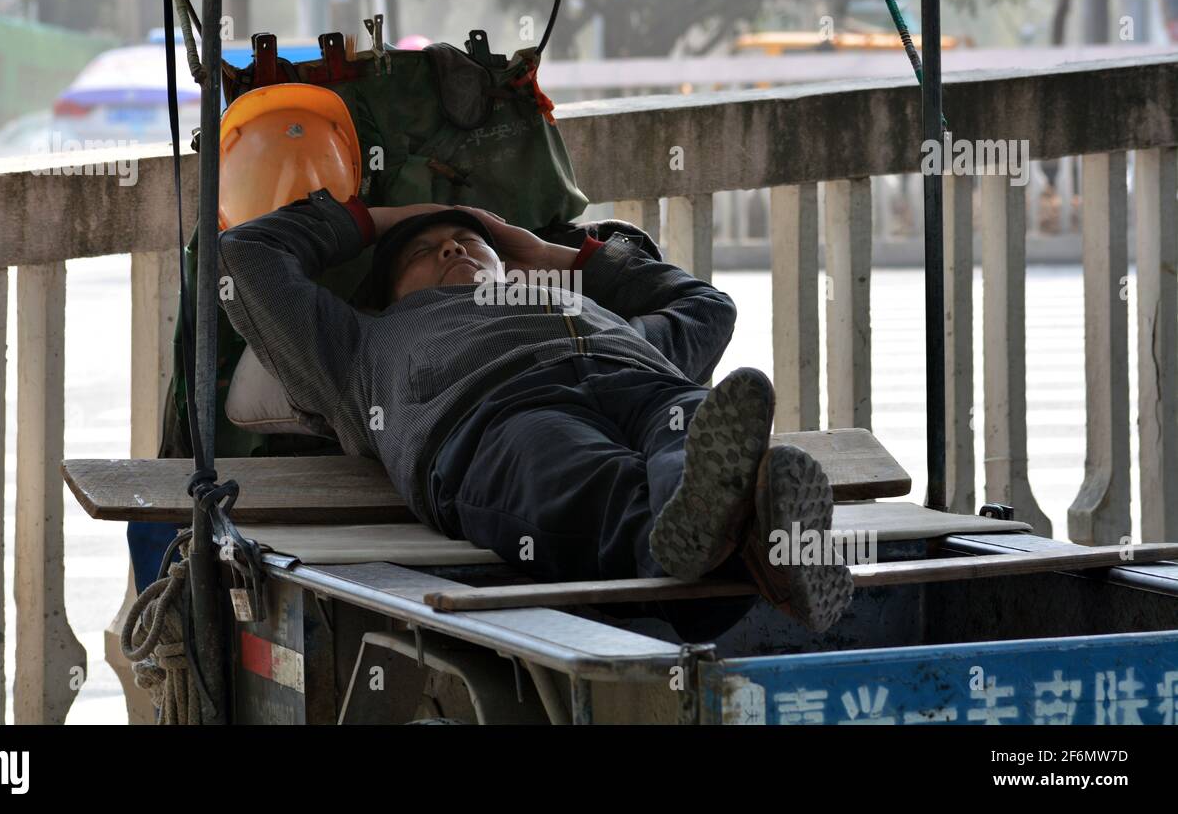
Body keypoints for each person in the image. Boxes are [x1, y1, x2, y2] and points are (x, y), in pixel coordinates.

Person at [217, 189, 854, 640]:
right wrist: (388, 218)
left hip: (636, 377)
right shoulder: (359, 344)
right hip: (492, 416)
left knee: (689, 426)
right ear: (384, 292)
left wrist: (565, 258)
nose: (452, 250)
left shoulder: (594, 315)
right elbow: (246, 253)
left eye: (469, 242)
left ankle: (737, 529)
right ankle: (750, 544)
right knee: (578, 474)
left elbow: (704, 306)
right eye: (424, 251)